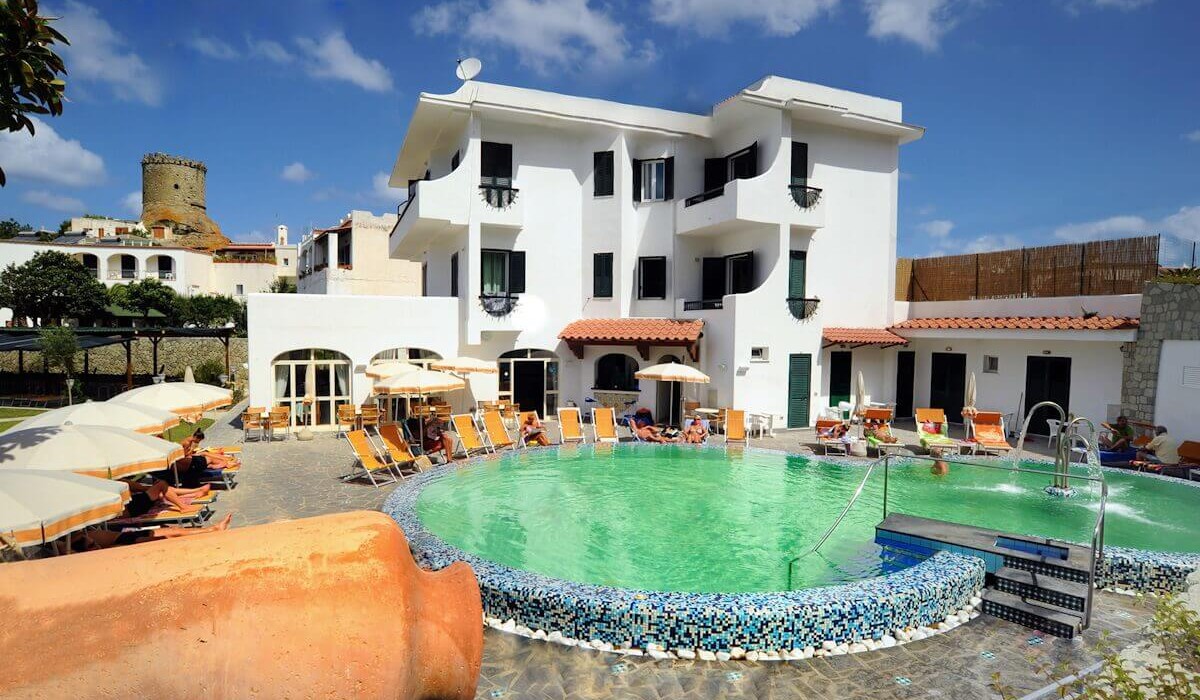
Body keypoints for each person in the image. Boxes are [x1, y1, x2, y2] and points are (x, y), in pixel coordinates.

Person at [74, 513, 234, 549]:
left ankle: (212, 529)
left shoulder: (71, 534)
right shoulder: (62, 545)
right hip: (120, 544)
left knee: (171, 530)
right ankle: (212, 531)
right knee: (167, 538)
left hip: (123, 536)